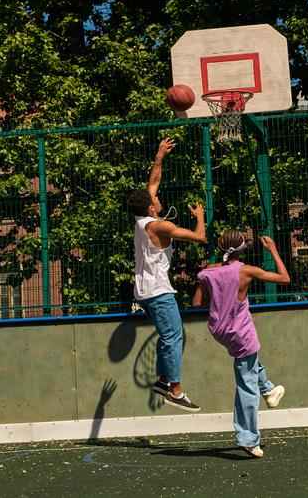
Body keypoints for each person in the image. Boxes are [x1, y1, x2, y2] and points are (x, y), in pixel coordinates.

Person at [192, 231, 289, 458]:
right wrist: (273, 249)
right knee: (246, 386)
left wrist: (203, 278)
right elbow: (284, 278)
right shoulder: (246, 271)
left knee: (250, 361)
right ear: (242, 249)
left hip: (219, 331)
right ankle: (247, 438)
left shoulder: (208, 272)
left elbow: (197, 303)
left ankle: (269, 389)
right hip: (240, 332)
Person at [126, 137, 206, 412]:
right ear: (151, 207)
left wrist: (159, 156)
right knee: (174, 337)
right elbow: (200, 237)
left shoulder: (141, 219)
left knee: (168, 336)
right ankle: (175, 389)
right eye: (155, 199)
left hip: (145, 291)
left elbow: (152, 183)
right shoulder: (159, 226)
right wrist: (200, 215)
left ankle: (162, 380)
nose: (157, 197)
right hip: (158, 291)